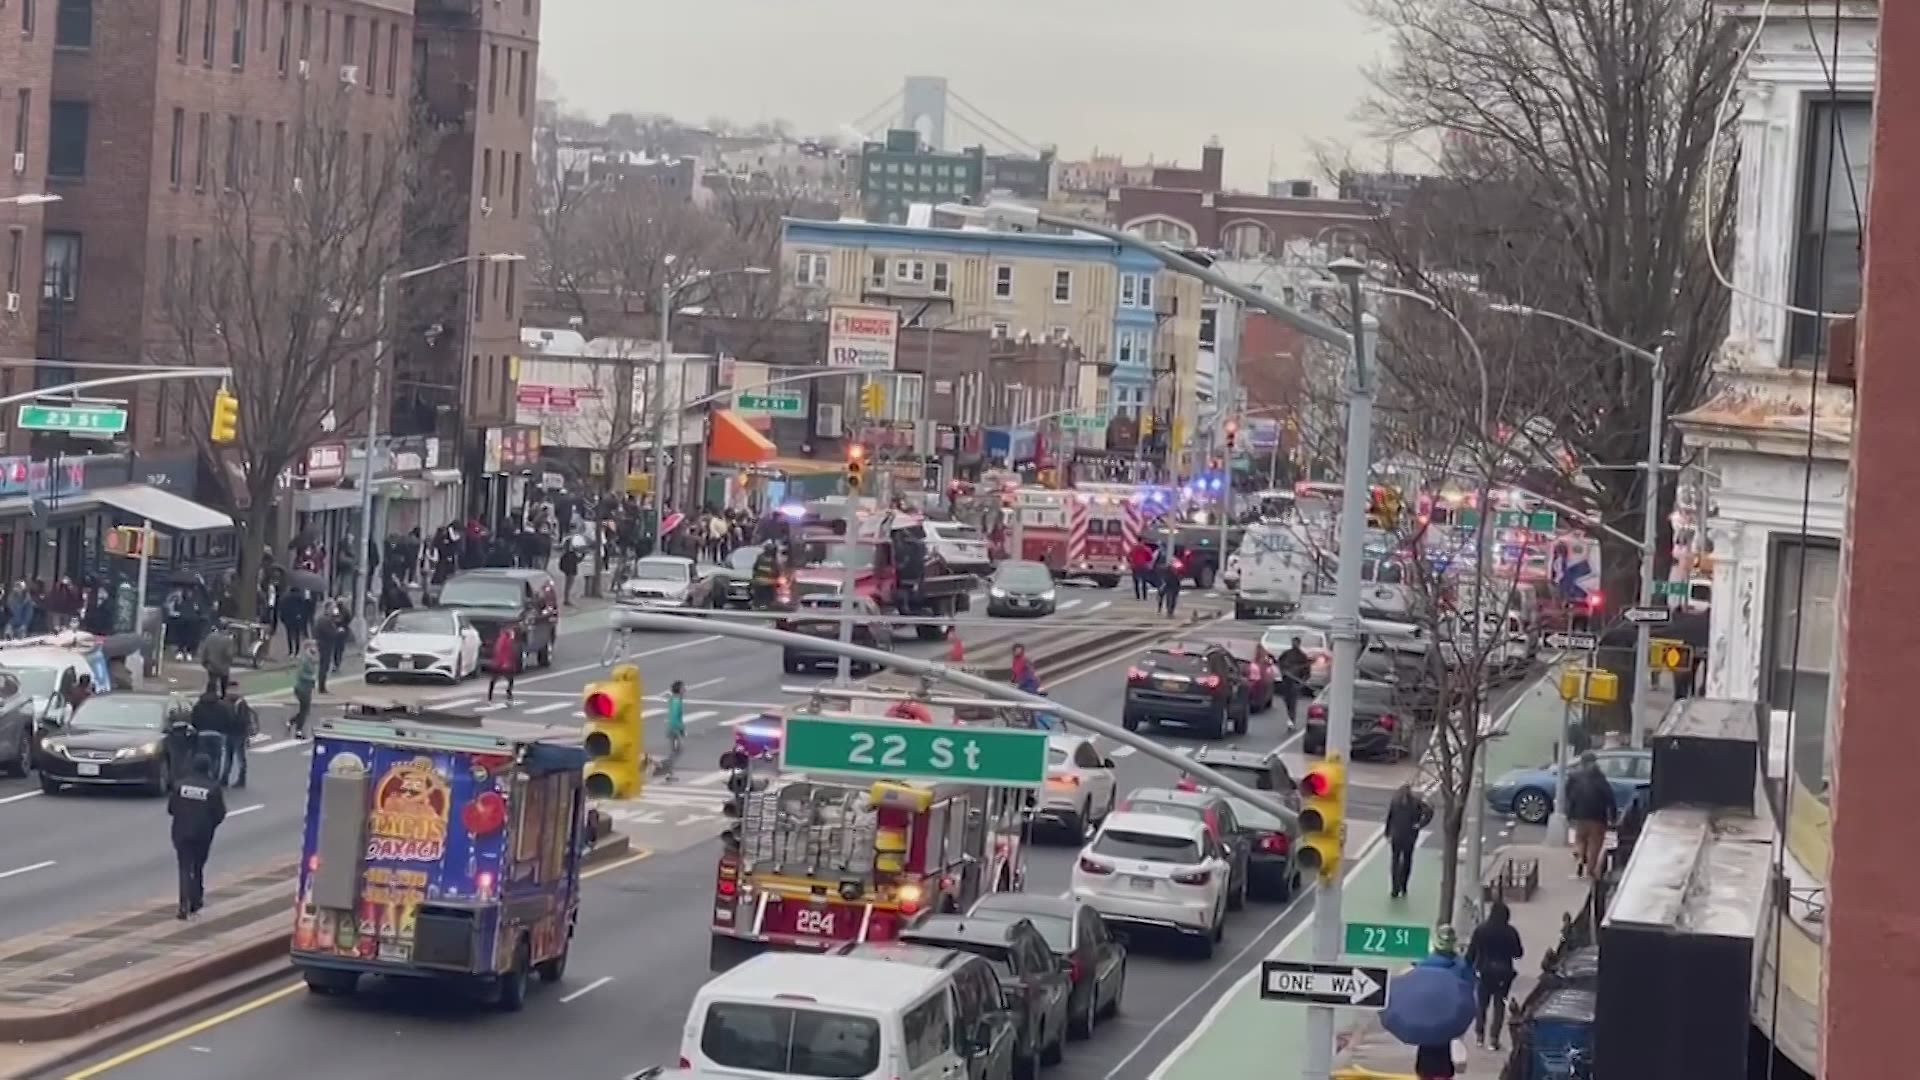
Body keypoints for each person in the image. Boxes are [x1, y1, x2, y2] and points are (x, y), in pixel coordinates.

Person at [168, 753, 226, 919]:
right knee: (198, 866)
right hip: (202, 834)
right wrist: (210, 825)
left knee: (184, 868)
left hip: (181, 832)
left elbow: (171, 809)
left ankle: (183, 905)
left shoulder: (180, 786)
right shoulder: (213, 788)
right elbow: (220, 814)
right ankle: (196, 899)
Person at [1466, 899, 1525, 1051]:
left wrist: (1470, 966)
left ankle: (1480, 1035)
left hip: (1484, 972)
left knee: (1482, 1004)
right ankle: (1494, 1039)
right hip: (1503, 974)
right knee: (1499, 1006)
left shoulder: (1481, 930)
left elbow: (1471, 952)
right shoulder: (1510, 932)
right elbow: (1518, 953)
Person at [1565, 750, 1618, 879]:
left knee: (1580, 839)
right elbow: (1610, 797)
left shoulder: (1574, 777)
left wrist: (1570, 813)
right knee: (1595, 845)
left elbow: (1569, 796)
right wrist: (1613, 816)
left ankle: (1579, 860)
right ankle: (1590, 871)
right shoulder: (1600, 778)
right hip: (1598, 817)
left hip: (1580, 815)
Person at [1385, 783, 1433, 899]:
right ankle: (1404, 885)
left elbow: (1390, 817)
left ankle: (1394, 887)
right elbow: (1429, 812)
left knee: (1395, 860)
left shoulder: (1395, 802)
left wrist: (1387, 832)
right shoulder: (1416, 803)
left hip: (1397, 835)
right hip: (1410, 835)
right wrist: (1420, 824)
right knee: (1407, 859)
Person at [1277, 637, 1313, 726]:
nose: (1294, 644)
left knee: (1293, 701)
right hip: (1286, 681)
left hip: (1295, 682)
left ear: (1299, 643)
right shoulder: (1286, 654)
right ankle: (1290, 716)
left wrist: (1303, 681)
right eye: (1293, 642)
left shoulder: (1302, 656)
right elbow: (1280, 663)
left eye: (1296, 642)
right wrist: (1283, 671)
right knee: (1287, 700)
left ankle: (1291, 720)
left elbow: (1307, 670)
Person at [197, 621, 236, 697]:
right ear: (227, 629)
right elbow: (229, 655)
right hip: (223, 667)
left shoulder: (210, 637)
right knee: (223, 684)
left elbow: (204, 650)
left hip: (211, 665)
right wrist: (230, 662)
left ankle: (210, 696)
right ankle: (223, 697)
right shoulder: (227, 640)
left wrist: (204, 662)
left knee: (212, 682)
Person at [290, 640, 318, 739]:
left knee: (305, 710)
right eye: (312, 647)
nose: (315, 649)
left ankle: (292, 721)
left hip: (307, 688)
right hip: (302, 689)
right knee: (305, 710)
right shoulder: (304, 660)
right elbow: (301, 674)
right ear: (307, 648)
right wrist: (311, 678)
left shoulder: (311, 659)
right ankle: (298, 730)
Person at [660, 679, 686, 780]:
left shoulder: (675, 699)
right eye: (683, 688)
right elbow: (675, 718)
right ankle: (666, 767)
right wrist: (679, 731)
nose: (685, 690)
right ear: (679, 689)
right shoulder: (676, 701)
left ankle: (669, 772)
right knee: (678, 750)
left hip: (672, 728)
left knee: (674, 751)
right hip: (674, 729)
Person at [488, 624, 521, 702]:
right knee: (509, 678)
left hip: (499, 663)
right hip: (503, 663)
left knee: (495, 679)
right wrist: (505, 662)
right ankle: (508, 692)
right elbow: (505, 651)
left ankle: (490, 695)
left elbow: (498, 650)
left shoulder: (502, 639)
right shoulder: (506, 639)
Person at [311, 601, 338, 694]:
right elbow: (329, 633)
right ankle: (321, 687)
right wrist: (337, 632)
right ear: (327, 609)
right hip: (324, 644)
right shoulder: (324, 620)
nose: (334, 609)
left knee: (324, 665)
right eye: (332, 608)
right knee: (324, 666)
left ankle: (321, 686)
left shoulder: (327, 619)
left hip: (325, 644)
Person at [1157, 551, 1184, 618]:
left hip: (1174, 585)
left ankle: (1170, 612)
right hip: (1170, 585)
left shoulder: (1176, 567)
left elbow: (1180, 576)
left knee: (1172, 599)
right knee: (1170, 598)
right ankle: (1169, 612)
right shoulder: (1168, 569)